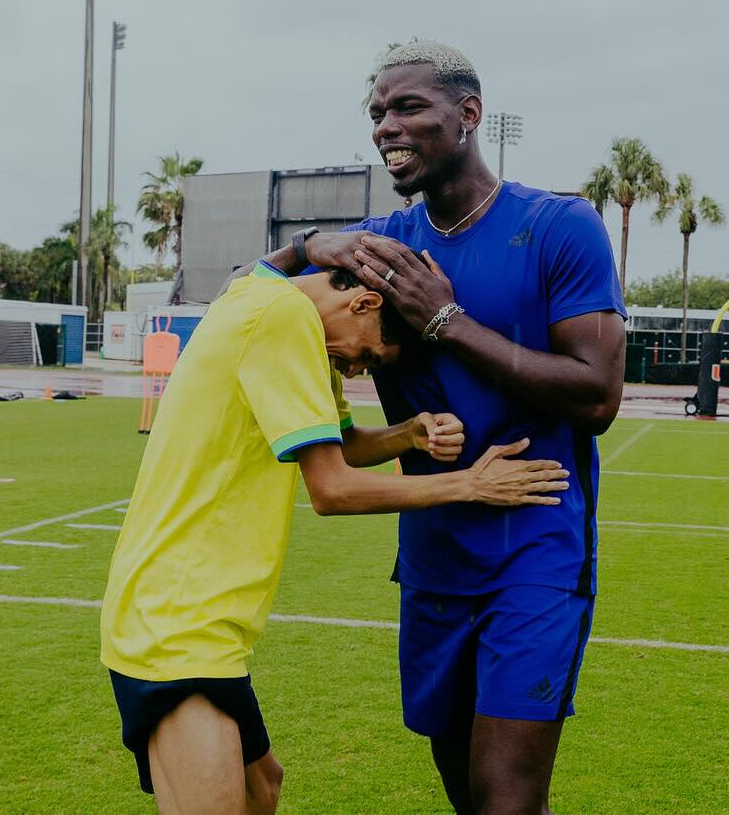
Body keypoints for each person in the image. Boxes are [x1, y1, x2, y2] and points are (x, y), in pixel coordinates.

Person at [251, 42, 627, 814]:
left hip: (536, 549)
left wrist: (446, 321)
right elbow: (240, 305)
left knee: (507, 800)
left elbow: (597, 396)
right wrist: (305, 247)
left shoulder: (561, 225)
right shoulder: (376, 246)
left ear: (469, 114)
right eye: (378, 113)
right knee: (468, 791)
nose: (388, 126)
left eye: (409, 107)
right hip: (432, 563)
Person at [100, 262, 571, 815]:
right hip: (175, 626)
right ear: (365, 303)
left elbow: (336, 443)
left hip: (200, 622)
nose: (357, 369)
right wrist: (472, 484)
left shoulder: (266, 299)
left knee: (261, 789)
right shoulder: (286, 318)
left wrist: (409, 434)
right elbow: (331, 489)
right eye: (371, 355)